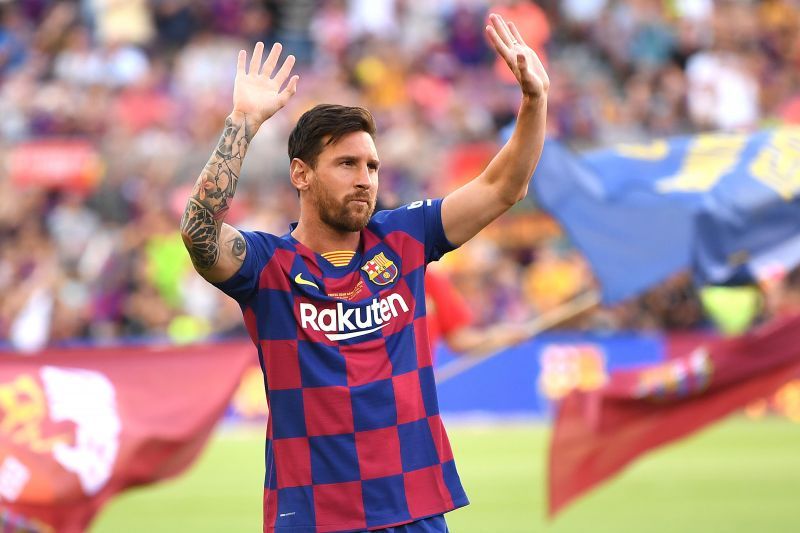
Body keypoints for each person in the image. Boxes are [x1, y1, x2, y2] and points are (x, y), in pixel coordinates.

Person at [180, 13, 548, 533]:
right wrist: (243, 120)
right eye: (347, 164)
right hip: (316, 515)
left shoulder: (405, 238)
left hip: (415, 507)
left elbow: (501, 187)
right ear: (301, 175)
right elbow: (198, 234)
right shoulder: (269, 268)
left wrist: (535, 102)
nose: (365, 180)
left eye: (372, 166)